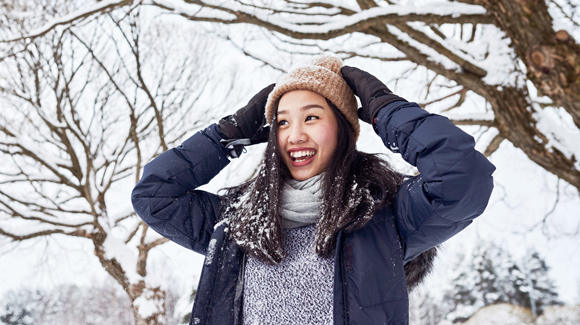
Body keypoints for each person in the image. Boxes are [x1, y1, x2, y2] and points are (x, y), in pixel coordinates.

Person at [131, 55, 495, 324]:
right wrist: (227, 135)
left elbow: (463, 178)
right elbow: (154, 195)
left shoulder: (385, 215)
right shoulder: (239, 221)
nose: (295, 134)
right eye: (282, 122)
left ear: (342, 130)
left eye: (312, 117)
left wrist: (386, 111)